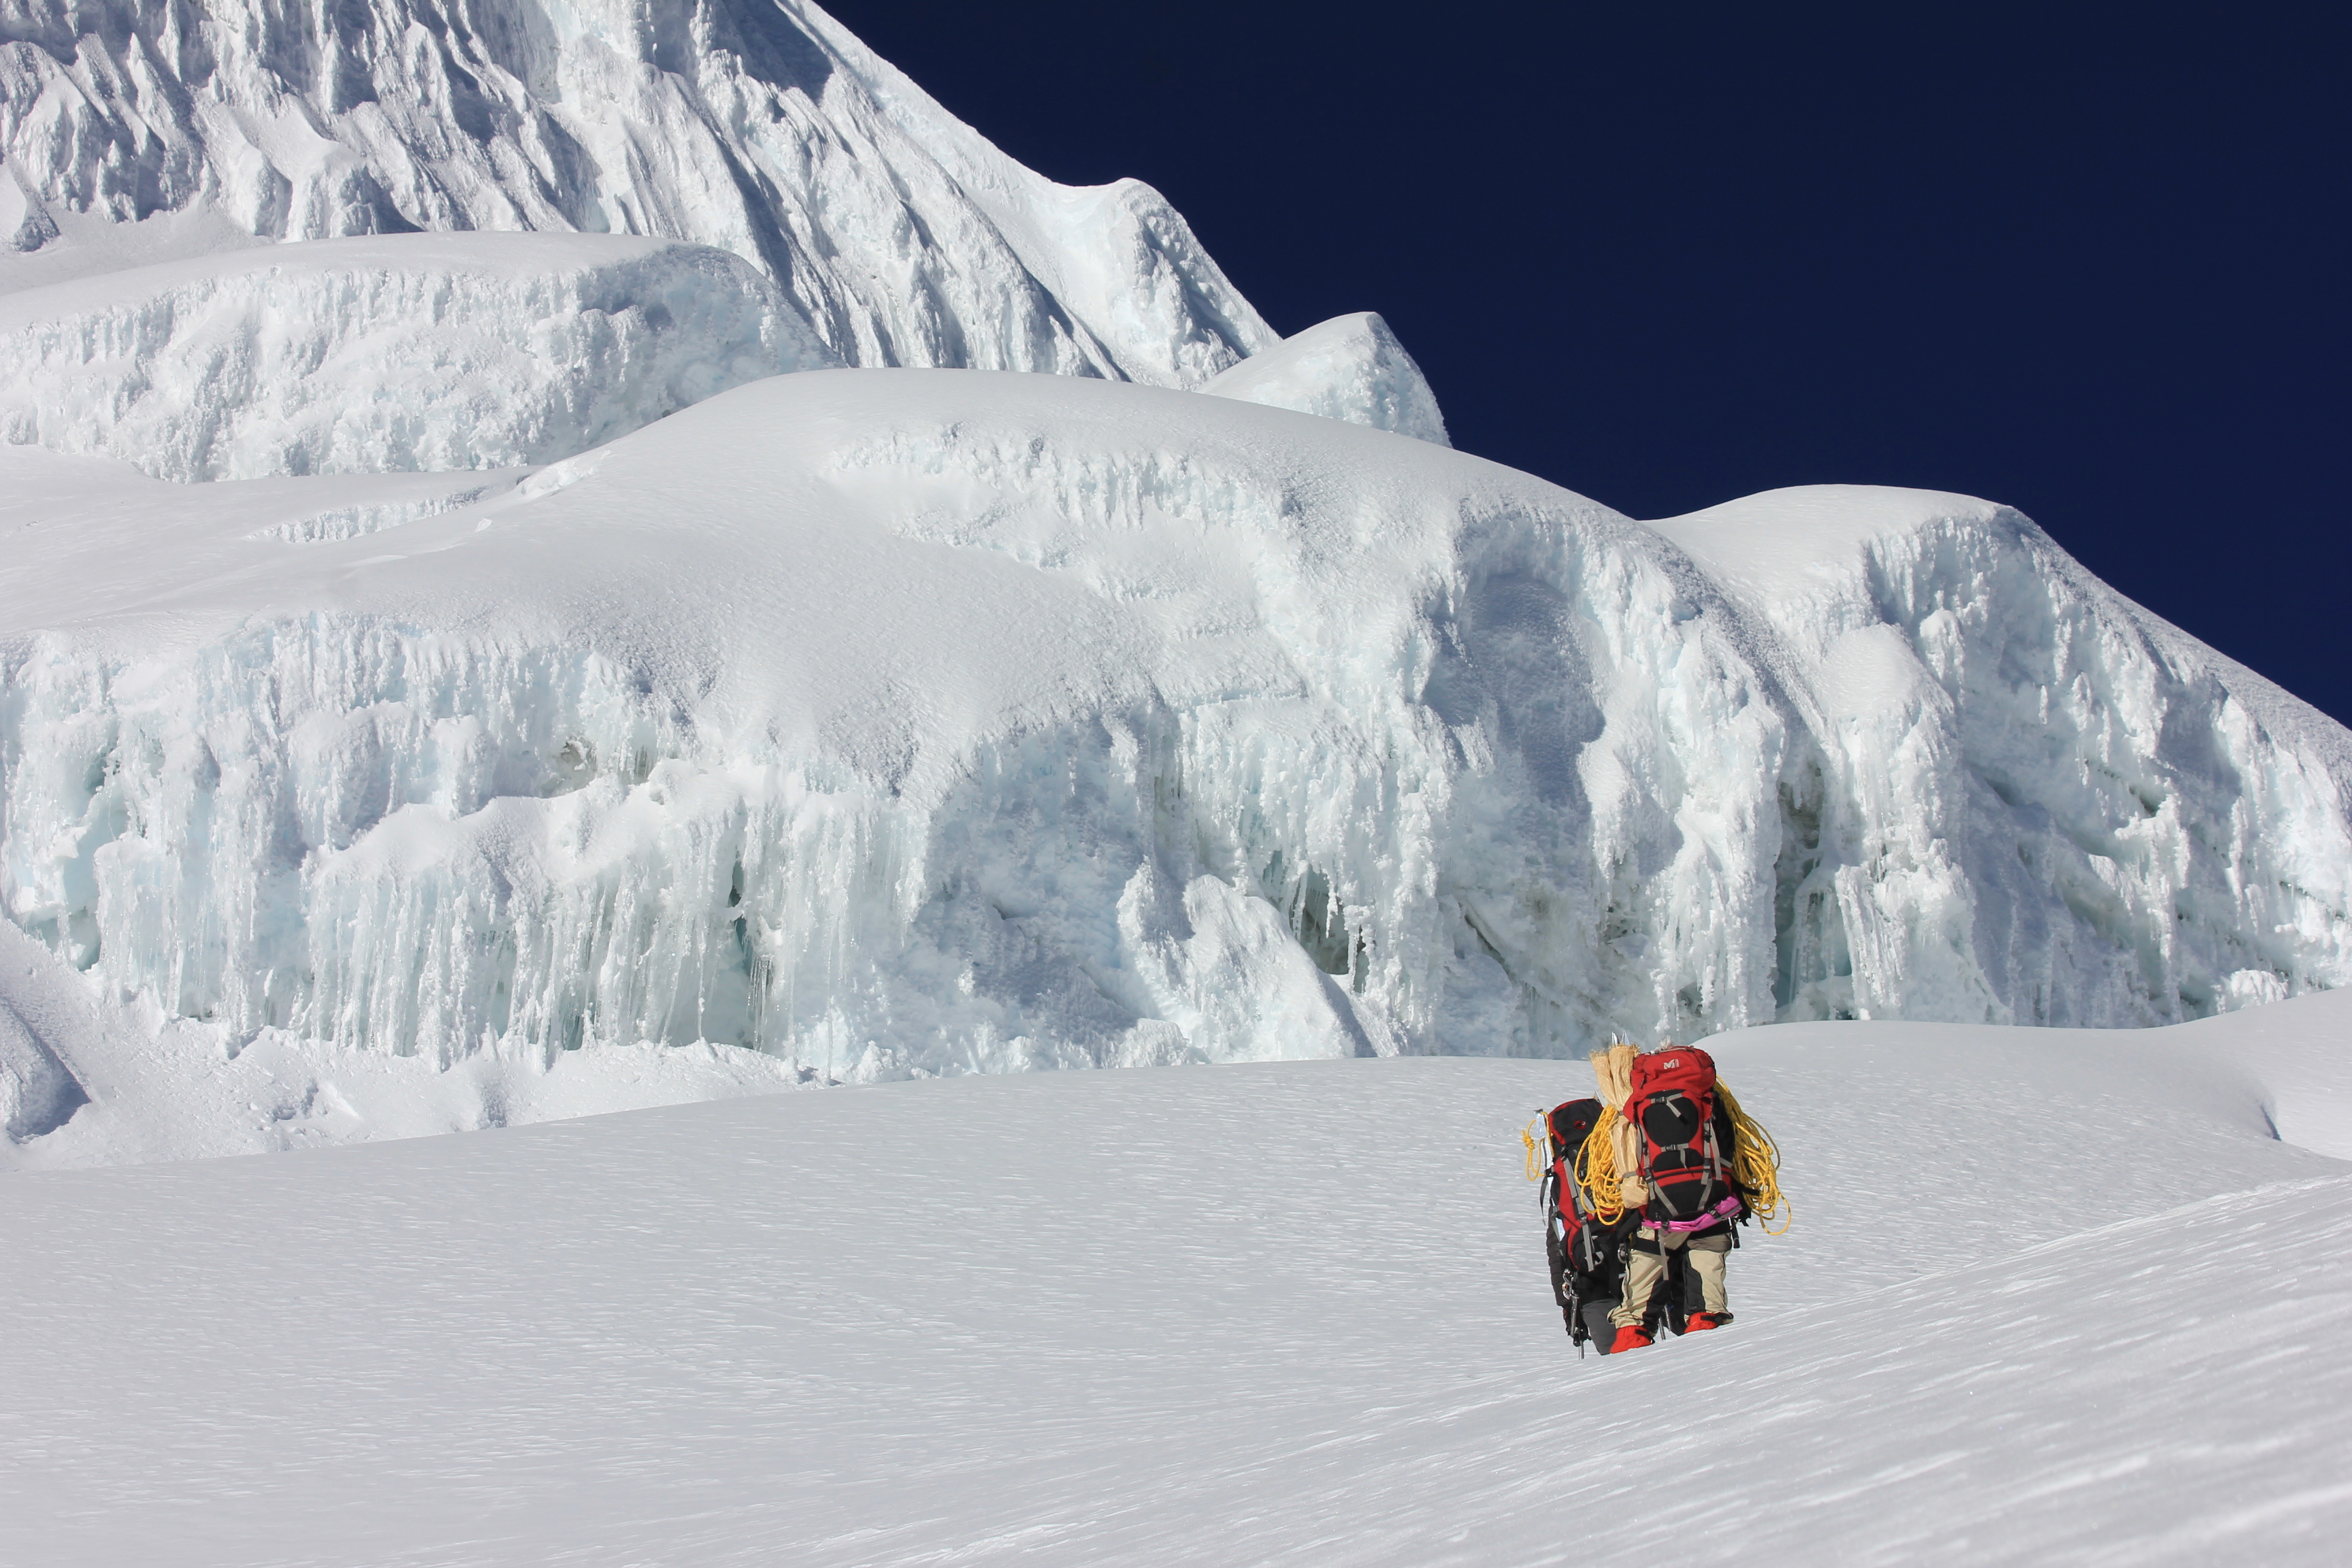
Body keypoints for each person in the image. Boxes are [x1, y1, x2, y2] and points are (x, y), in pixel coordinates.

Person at [1592, 1042, 1748, 1354]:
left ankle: (1630, 1344)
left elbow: (1623, 1161)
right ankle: (1708, 1338)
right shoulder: (1712, 1101)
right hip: (1711, 1209)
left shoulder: (1632, 1106)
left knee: (1636, 1309)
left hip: (1657, 1216)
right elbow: (1732, 1151)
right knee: (1707, 1296)